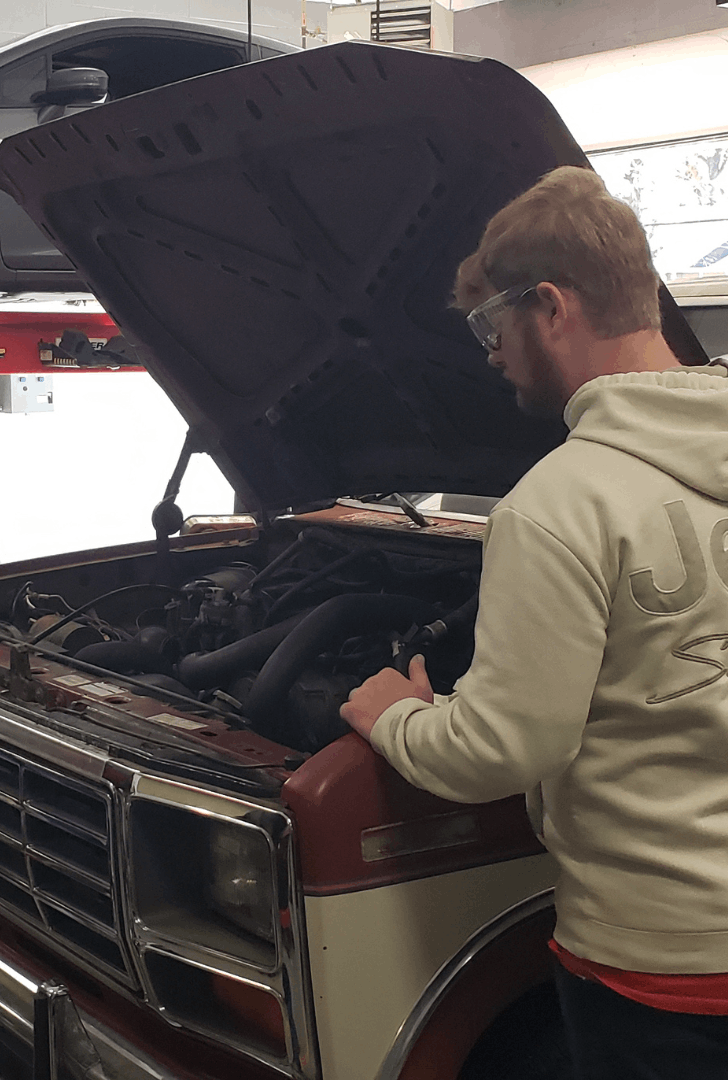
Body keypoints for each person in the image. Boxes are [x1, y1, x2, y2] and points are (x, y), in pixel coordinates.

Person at [340, 166, 728, 1079]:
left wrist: (392, 712)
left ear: (551, 307)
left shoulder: (561, 503)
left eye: (490, 324)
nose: (488, 353)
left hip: (660, 963)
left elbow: (501, 751)